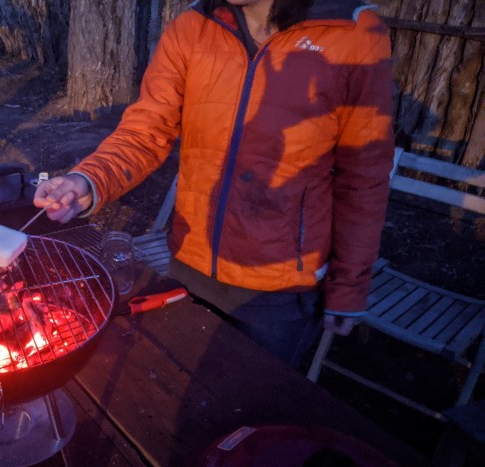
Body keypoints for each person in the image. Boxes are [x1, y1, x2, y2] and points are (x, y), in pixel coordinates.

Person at [33, 0, 394, 369]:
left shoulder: (352, 32)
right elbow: (145, 131)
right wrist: (86, 180)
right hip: (190, 262)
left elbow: (363, 178)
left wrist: (349, 286)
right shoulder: (193, 27)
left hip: (280, 287)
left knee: (257, 410)